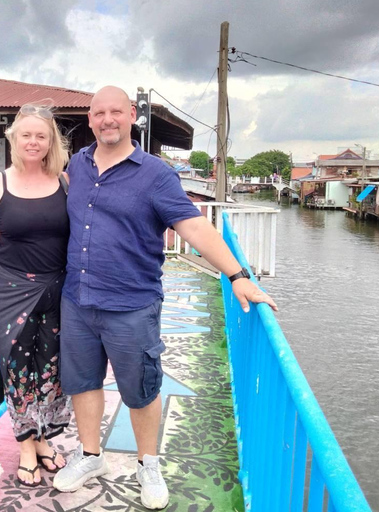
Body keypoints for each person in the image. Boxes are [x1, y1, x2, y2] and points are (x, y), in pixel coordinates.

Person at [52, 86, 278, 509]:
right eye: (99, 113)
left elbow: (193, 227)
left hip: (132, 304)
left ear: (131, 115)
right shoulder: (76, 166)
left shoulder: (155, 173)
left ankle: (148, 462)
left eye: (115, 111)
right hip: (78, 299)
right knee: (83, 384)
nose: (107, 120)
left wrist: (237, 275)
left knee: (141, 389)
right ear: (89, 119)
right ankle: (90, 456)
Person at [0, 103, 72, 487]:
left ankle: (44, 439)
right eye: (26, 134)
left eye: (41, 136)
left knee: (51, 369)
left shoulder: (64, 181)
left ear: (50, 141)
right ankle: (26, 445)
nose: (33, 141)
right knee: (17, 370)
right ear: (14, 138)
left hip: (57, 289)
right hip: (10, 289)